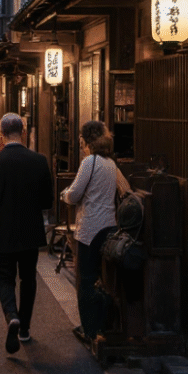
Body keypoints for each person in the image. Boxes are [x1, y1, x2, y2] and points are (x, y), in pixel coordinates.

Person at [0, 113, 54, 354]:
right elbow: (47, 201)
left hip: (3, 230)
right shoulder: (39, 161)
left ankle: (12, 315)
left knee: (4, 278)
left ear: (1, 134)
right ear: (23, 132)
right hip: (30, 230)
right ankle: (25, 328)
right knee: (28, 278)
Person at [60, 120, 125, 347]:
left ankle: (89, 329)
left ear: (85, 140)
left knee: (86, 280)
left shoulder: (90, 161)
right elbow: (122, 190)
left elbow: (75, 193)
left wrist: (64, 195)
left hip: (89, 228)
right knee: (102, 278)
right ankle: (101, 324)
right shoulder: (110, 163)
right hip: (109, 226)